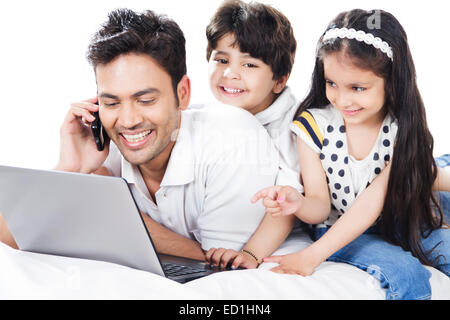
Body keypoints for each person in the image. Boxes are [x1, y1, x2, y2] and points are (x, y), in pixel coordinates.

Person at [0, 8, 280, 261]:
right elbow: (11, 236)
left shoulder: (232, 137)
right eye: (111, 103)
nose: (129, 120)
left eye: (145, 100)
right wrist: (71, 171)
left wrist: (112, 215)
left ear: (182, 94)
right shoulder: (104, 146)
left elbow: (217, 262)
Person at [213, 9, 450, 300]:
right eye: (332, 83)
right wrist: (297, 204)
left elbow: (380, 199)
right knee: (406, 275)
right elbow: (320, 208)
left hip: (396, 216)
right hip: (336, 227)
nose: (342, 99)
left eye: (358, 87)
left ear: (392, 82)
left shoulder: (402, 129)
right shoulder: (312, 126)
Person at [204, 0, 306, 268]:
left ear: (279, 80)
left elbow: (286, 204)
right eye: (221, 60)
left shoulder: (294, 127)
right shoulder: (209, 116)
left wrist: (250, 254)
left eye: (249, 65)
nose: (230, 74)